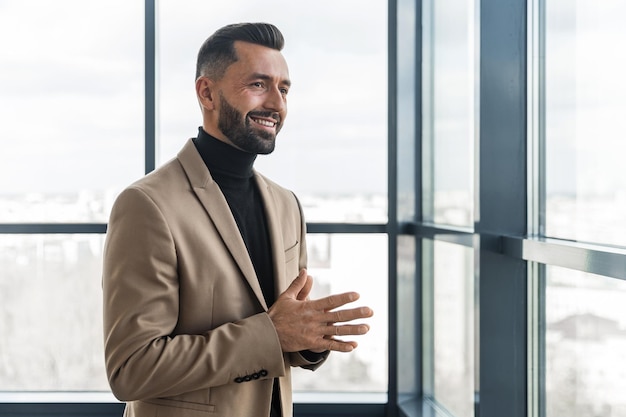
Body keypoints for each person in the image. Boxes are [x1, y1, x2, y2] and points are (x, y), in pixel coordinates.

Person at [102, 22, 373, 417]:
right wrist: (271, 334)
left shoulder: (286, 204)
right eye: (258, 84)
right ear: (207, 92)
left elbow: (279, 339)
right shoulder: (146, 205)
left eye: (283, 89)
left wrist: (310, 339)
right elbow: (131, 369)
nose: (277, 104)